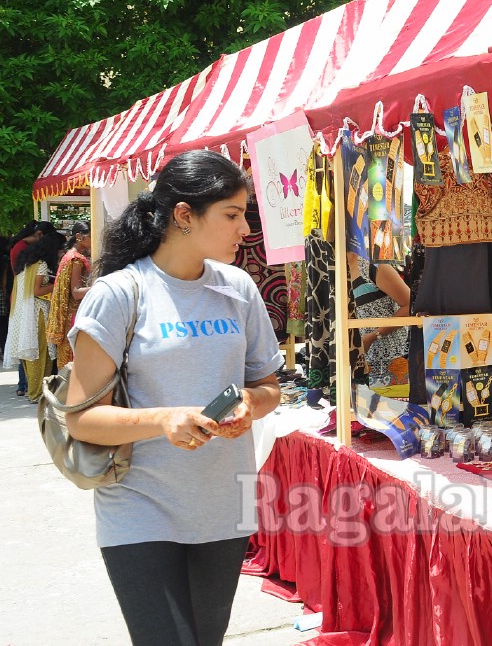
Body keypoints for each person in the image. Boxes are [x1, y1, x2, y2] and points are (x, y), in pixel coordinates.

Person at [64, 150, 283, 646]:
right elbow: (80, 418)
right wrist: (165, 419)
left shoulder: (239, 288)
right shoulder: (120, 293)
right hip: (139, 506)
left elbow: (270, 386)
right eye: (231, 214)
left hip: (226, 503)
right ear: (184, 215)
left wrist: (252, 402)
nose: (244, 228)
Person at [3, 231, 63, 402]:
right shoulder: (41, 265)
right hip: (38, 314)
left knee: (29, 355)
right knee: (40, 355)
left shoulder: (25, 264)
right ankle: (38, 393)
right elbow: (36, 291)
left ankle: (33, 391)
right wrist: (57, 285)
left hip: (23, 315)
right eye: (59, 250)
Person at [347, 249, 410, 392]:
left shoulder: (372, 265)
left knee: (393, 411)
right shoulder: (338, 273)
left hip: (394, 359)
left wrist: (373, 336)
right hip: (363, 364)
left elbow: (410, 305)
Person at [46, 221, 92, 369]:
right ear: (79, 236)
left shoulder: (68, 256)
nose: (93, 240)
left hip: (69, 317)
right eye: (91, 236)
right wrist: (100, 286)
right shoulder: (76, 259)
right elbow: (77, 292)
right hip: (75, 316)